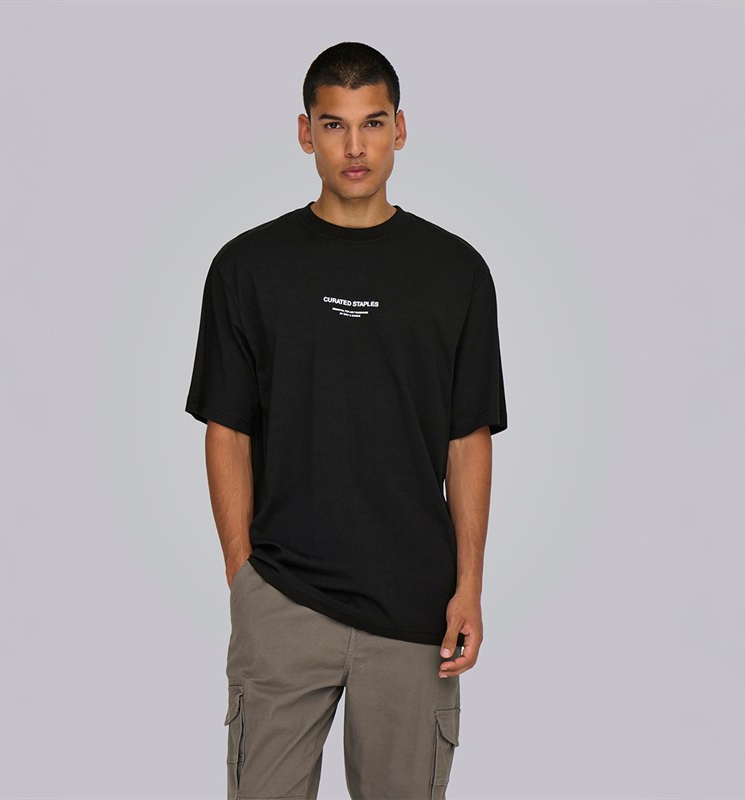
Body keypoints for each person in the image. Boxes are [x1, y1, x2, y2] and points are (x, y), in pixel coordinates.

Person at [185, 41, 508, 800]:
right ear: (306, 133)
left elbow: (468, 439)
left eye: (372, 123)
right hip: (283, 598)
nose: (355, 147)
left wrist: (468, 586)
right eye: (334, 125)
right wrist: (244, 579)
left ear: (401, 128)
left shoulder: (456, 271)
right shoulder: (248, 267)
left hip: (415, 611)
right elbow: (227, 429)